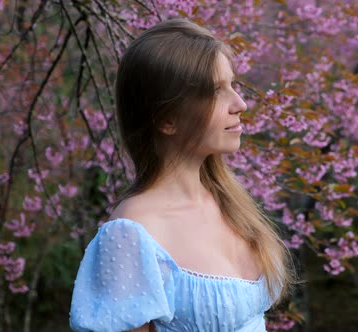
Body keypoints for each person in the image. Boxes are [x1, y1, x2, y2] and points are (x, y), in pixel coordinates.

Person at [69, 18, 294, 332]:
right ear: (167, 120)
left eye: (233, 85)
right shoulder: (133, 234)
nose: (240, 104)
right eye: (216, 92)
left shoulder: (230, 203)